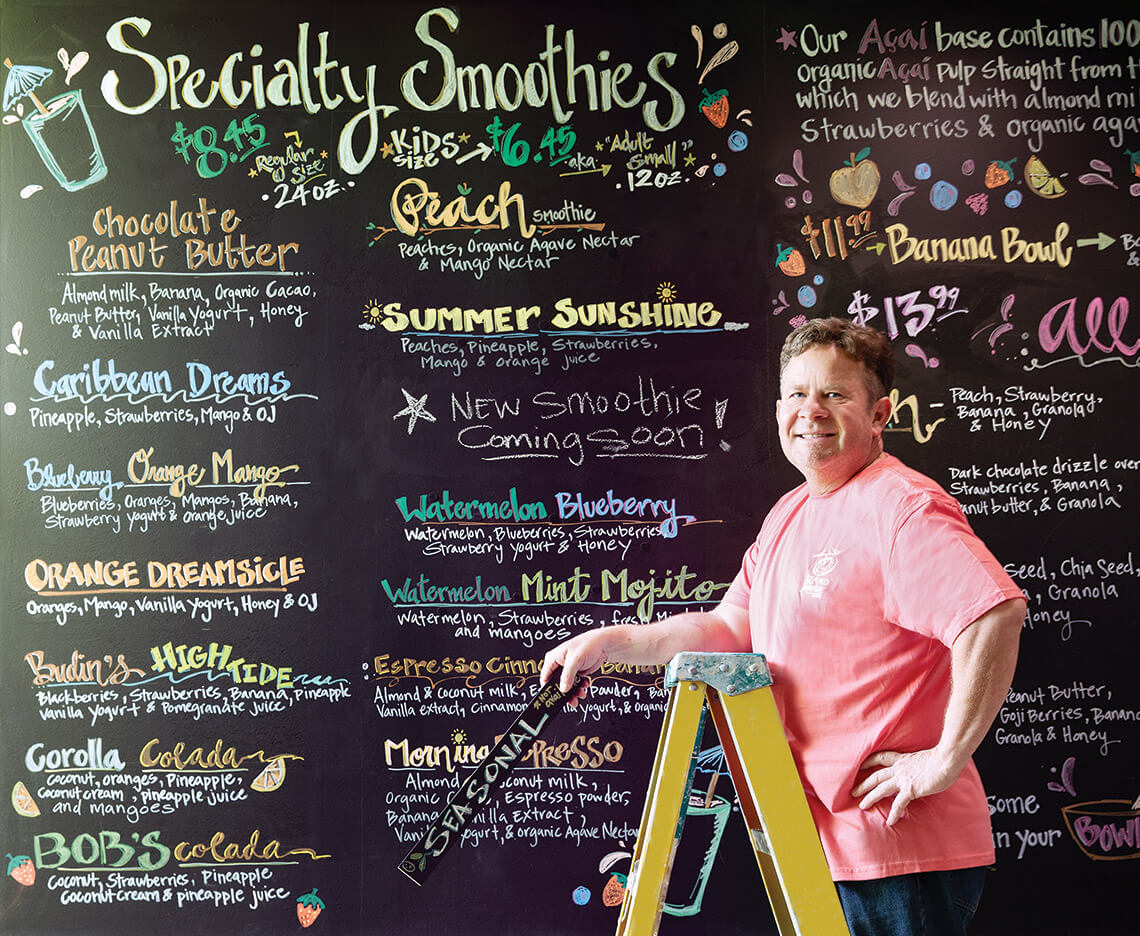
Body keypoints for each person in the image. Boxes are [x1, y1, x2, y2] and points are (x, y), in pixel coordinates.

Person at [541, 317, 1026, 936]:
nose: (811, 411)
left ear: (878, 414)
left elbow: (992, 613)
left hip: (894, 850)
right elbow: (728, 626)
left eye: (835, 394)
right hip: (816, 845)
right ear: (778, 410)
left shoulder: (902, 508)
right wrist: (611, 643)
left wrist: (943, 761)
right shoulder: (791, 514)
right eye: (797, 395)